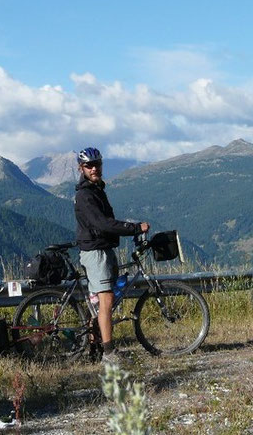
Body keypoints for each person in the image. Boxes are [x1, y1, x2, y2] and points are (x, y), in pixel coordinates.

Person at [74, 147, 149, 364]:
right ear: (81, 168)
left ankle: (94, 349)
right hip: (96, 253)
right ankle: (109, 353)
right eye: (89, 165)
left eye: (97, 164)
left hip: (102, 250)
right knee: (106, 300)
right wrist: (134, 228)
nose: (94, 168)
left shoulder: (96, 190)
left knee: (98, 302)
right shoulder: (86, 194)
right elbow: (102, 224)